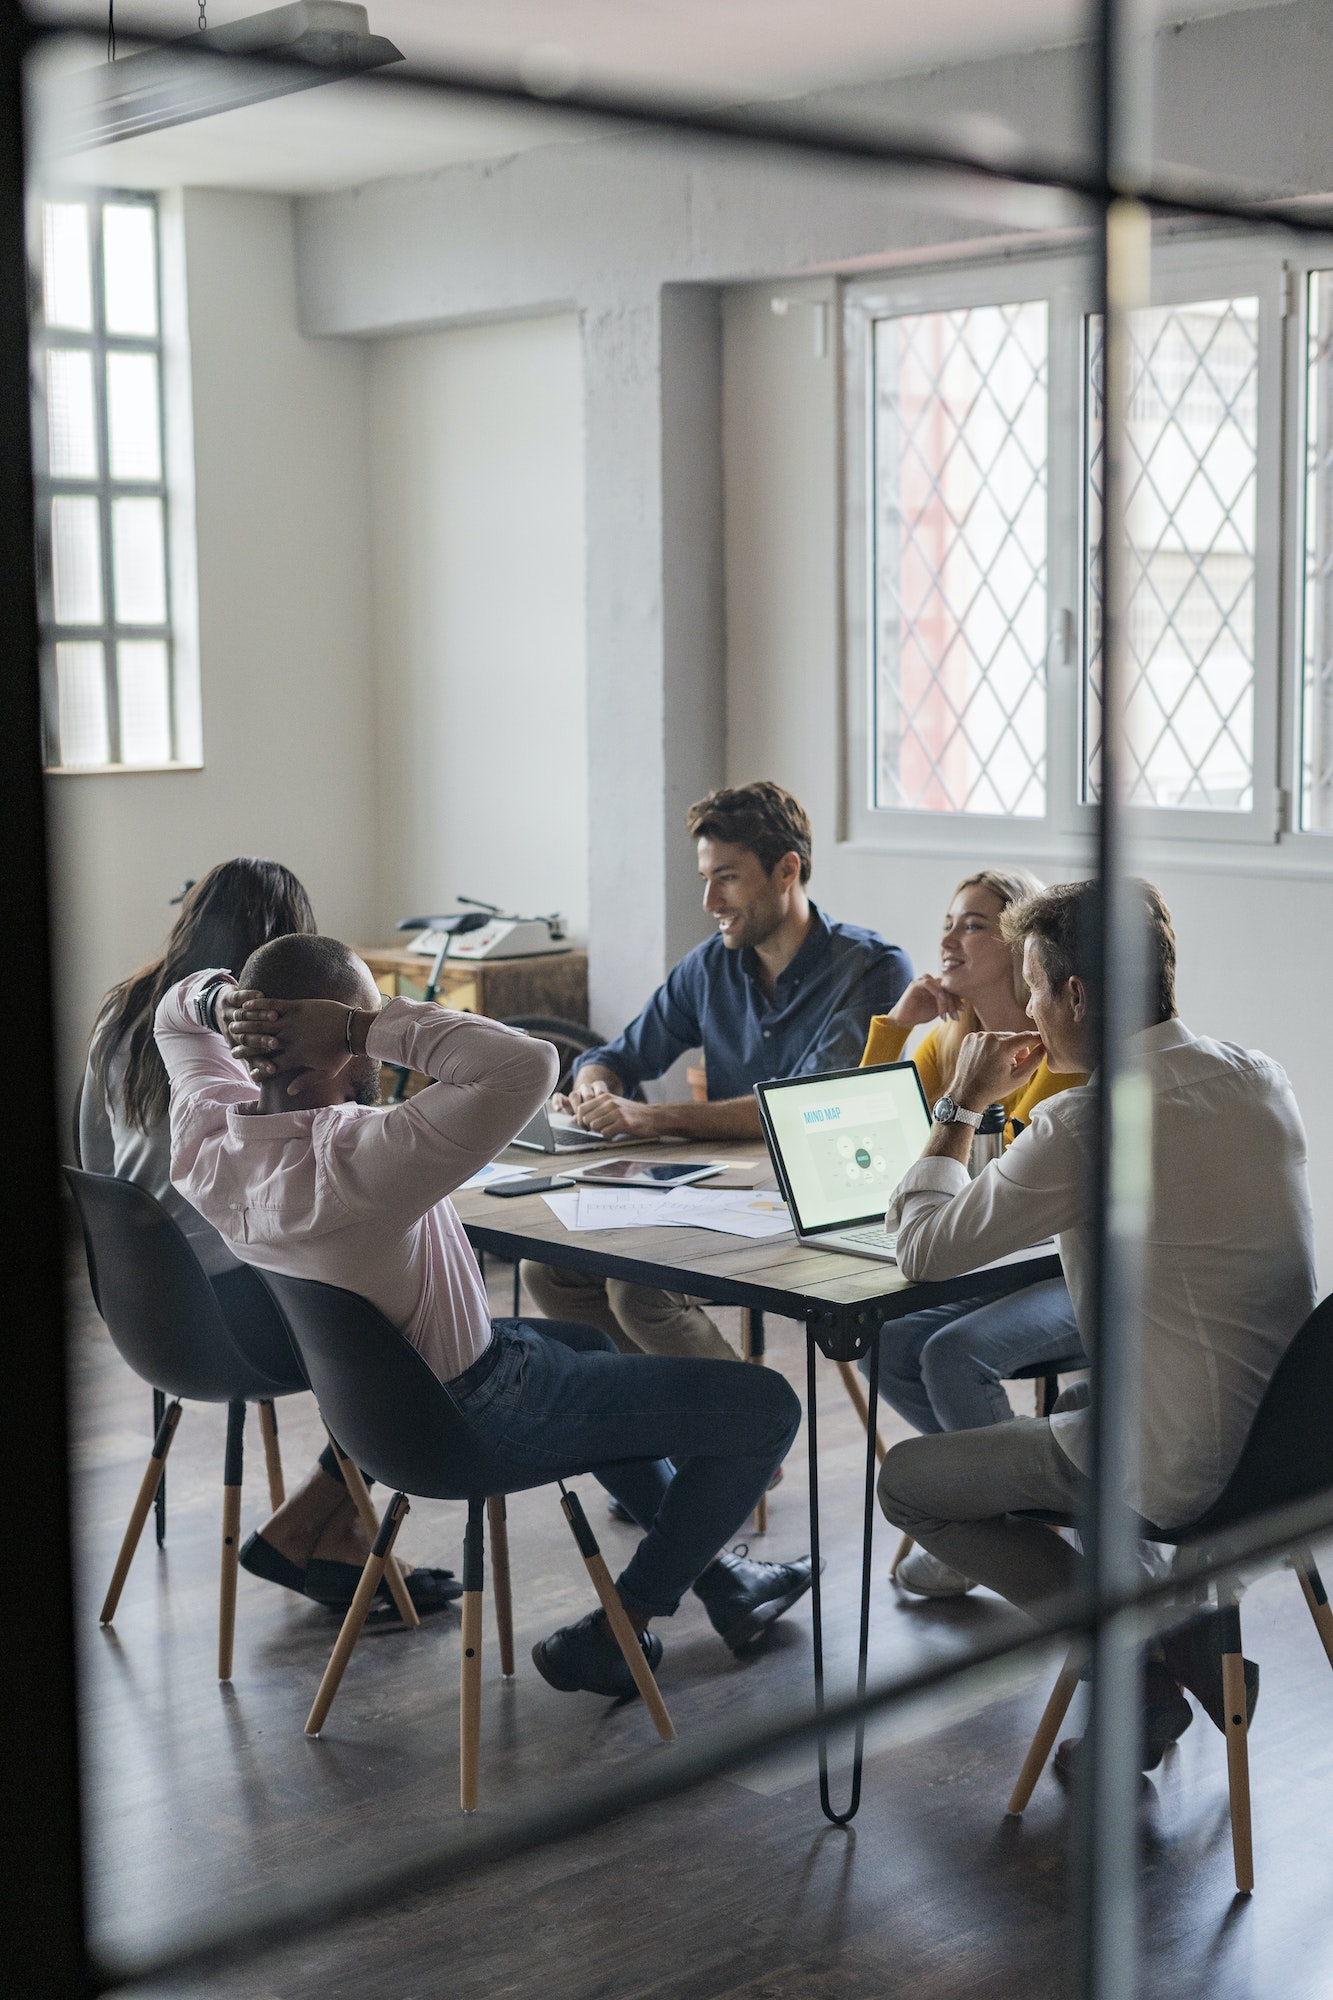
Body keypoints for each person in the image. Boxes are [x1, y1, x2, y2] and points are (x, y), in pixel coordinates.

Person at [155, 935, 815, 1700]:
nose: (372, 1046)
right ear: (329, 1039)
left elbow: (176, 1019)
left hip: (384, 1420)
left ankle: (724, 1577)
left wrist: (216, 1002)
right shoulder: (362, 1158)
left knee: (586, 1342)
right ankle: (621, 1627)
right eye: (362, 1026)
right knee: (766, 1407)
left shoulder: (206, 1139)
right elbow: (528, 1065)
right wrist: (354, 1027)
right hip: (482, 1415)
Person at [876, 879, 1317, 1768]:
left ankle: (1140, 1651)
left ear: (1075, 995)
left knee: (909, 1483)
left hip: (1178, 1468)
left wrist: (961, 1103)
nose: (1031, 1006)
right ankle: (1162, 1633)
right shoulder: (1260, 1077)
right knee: (1079, 1385)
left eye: (1035, 987)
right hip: (1299, 1458)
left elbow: (922, 1249)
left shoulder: (1084, 1121)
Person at [80, 859, 459, 1625]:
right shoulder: (263, 1036)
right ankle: (321, 1525)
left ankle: (331, 1524)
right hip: (234, 1315)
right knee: (412, 1327)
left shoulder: (123, 1013)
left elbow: (92, 1153)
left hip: (146, 1315)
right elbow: (296, 1170)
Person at [523, 781, 913, 1360]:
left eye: (726, 877)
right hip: (727, 1199)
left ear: (787, 870)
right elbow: (614, 1057)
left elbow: (799, 1106)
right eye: (705, 879)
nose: (710, 901)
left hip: (819, 1206)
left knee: (637, 1290)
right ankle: (672, 1424)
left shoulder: (874, 969)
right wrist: (591, 1093)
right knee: (546, 1271)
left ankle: (749, 1435)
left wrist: (647, 1116)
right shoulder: (709, 966)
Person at [856, 868, 1089, 1600]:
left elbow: (1009, 1193)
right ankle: (989, 1530)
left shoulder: (1059, 1051)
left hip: (1059, 1264)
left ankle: (994, 1537)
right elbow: (865, 1135)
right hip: (986, 1255)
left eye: (973, 924)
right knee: (885, 1340)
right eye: (949, 921)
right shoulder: (951, 1042)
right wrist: (897, 1023)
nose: (948, 938)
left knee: (953, 1352)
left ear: (1020, 943)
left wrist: (948, 1127)